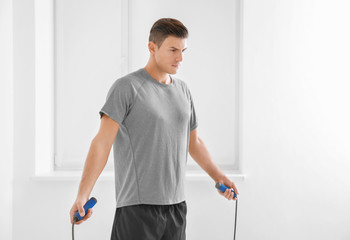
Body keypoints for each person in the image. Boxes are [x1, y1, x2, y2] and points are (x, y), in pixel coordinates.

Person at [69, 17, 239, 240]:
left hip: (176, 208)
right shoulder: (127, 88)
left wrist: (219, 176)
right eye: (173, 50)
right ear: (152, 47)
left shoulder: (183, 91)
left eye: (183, 51)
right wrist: (82, 196)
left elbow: (193, 141)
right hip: (137, 209)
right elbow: (101, 143)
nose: (180, 58)